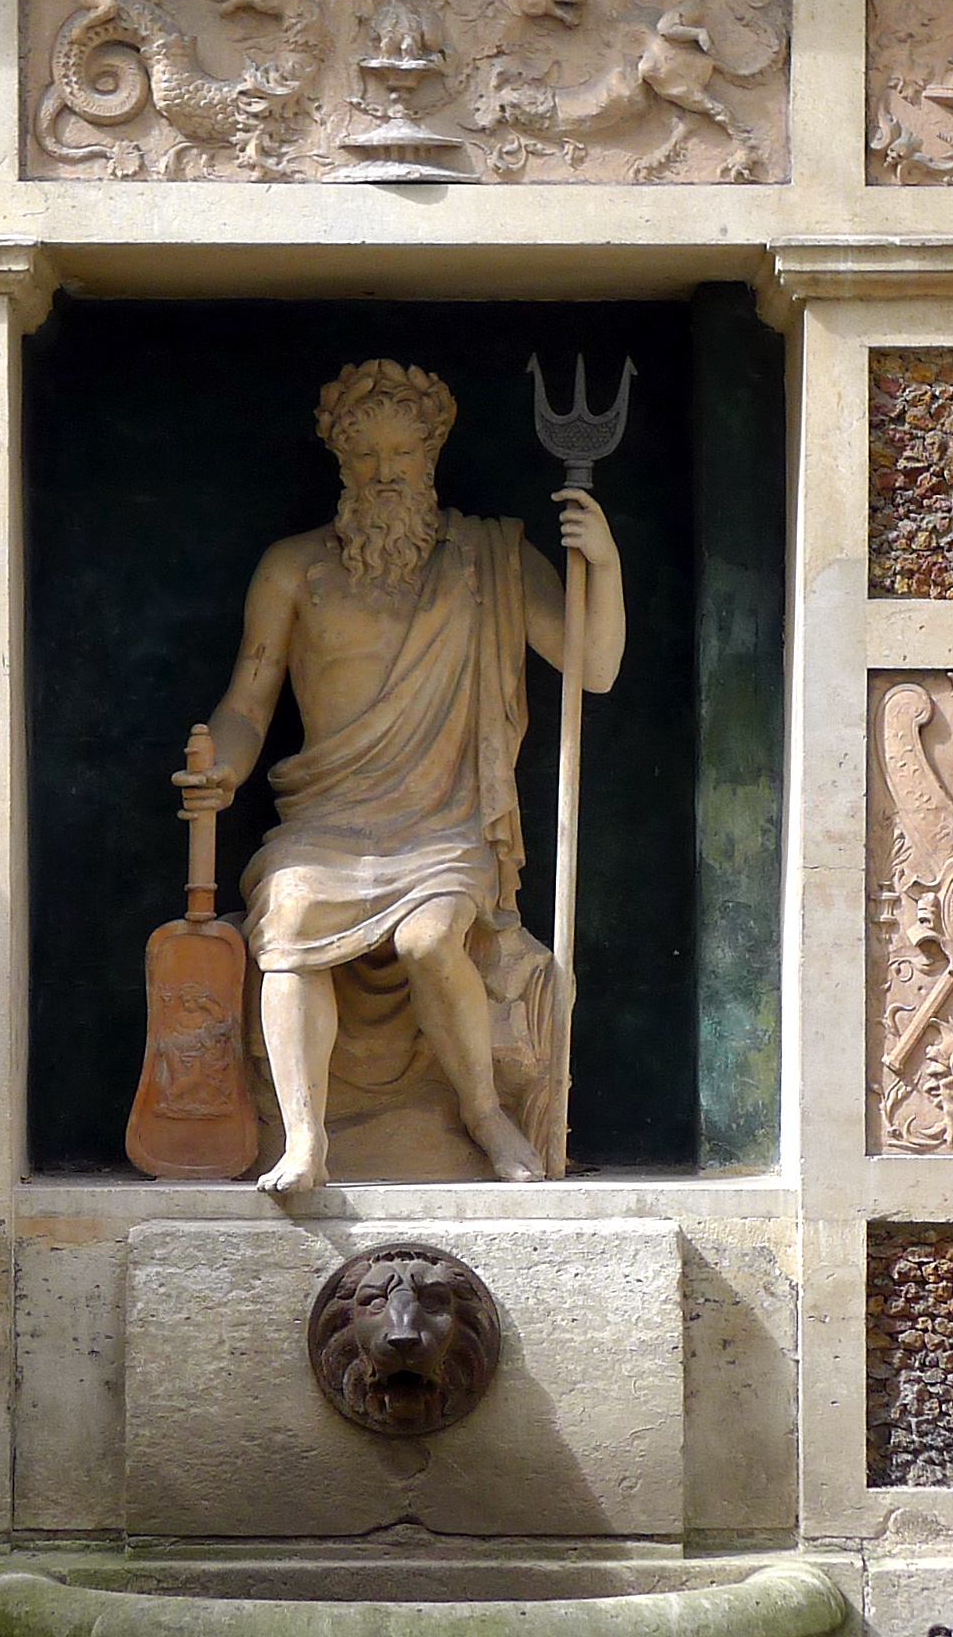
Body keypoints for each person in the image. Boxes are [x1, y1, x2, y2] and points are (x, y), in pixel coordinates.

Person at [179, 357, 624, 1192]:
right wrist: (226, 769)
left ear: (431, 458)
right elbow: (248, 696)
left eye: (402, 458)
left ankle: (485, 1114)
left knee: (429, 939)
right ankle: (305, 1141)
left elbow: (590, 667)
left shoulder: (489, 558)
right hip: (326, 820)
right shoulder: (292, 566)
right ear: (341, 462)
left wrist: (603, 564)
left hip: (441, 826)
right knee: (294, 914)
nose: (385, 475)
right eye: (367, 458)